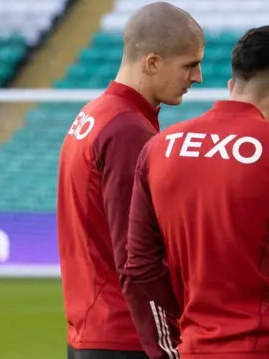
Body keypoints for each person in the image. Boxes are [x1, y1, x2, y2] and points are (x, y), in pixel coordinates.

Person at [123, 25, 269, 359]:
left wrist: (191, 324)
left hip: (197, 346)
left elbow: (140, 264)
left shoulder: (160, 147)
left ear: (232, 86)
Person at [56, 2, 204, 359]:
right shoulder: (127, 132)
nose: (197, 77)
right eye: (189, 65)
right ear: (152, 62)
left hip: (90, 330)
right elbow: (136, 259)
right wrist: (165, 345)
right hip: (127, 337)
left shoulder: (94, 114)